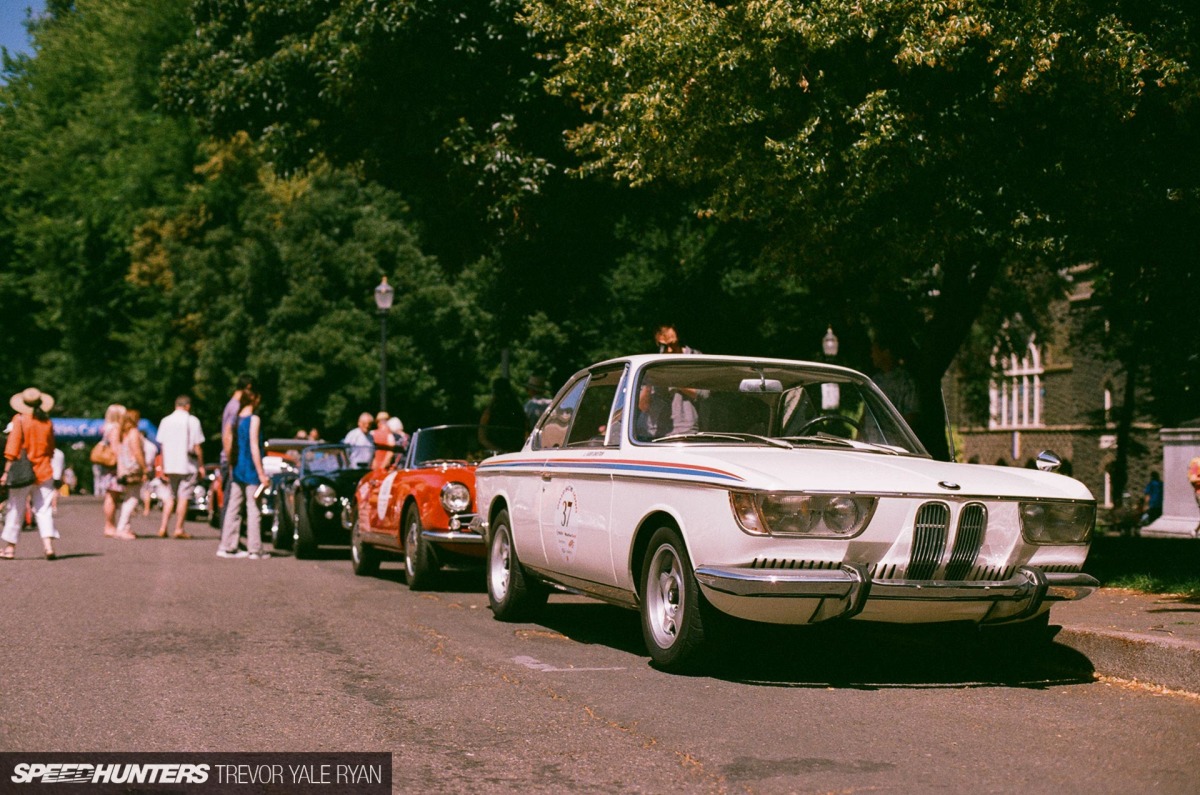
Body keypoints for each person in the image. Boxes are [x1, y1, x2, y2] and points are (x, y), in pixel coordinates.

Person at [1, 387, 60, 560]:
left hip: (23, 472)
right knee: (44, 509)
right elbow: (51, 448)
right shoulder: (47, 422)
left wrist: (6, 472)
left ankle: (10, 549)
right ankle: (48, 546)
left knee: (15, 508)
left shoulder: (20, 420)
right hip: (44, 470)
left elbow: (12, 449)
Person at [218, 388, 269, 560]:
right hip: (250, 469)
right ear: (254, 400)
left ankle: (227, 545)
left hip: (237, 467)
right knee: (253, 509)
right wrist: (261, 473)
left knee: (233, 508)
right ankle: (255, 548)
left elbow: (227, 442)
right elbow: (254, 446)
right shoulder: (254, 419)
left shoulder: (234, 420)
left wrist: (231, 464)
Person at [637, 323, 703, 439]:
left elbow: (704, 395)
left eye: (672, 344)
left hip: (684, 430)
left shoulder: (695, 358)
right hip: (653, 431)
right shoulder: (650, 363)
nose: (669, 349)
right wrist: (650, 382)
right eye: (663, 346)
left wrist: (673, 381)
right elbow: (643, 406)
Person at [157, 395, 207, 539]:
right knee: (184, 497)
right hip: (187, 465)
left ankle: (163, 527)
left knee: (170, 497)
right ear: (188, 406)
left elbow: (162, 446)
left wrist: (162, 465)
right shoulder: (193, 421)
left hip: (170, 465)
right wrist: (201, 466)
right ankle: (178, 528)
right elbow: (197, 446)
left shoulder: (165, 421)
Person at [219, 374, 254, 528]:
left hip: (230, 458)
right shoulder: (235, 406)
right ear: (248, 388)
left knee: (231, 501)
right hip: (231, 459)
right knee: (231, 502)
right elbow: (228, 435)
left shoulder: (231, 404)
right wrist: (231, 459)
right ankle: (227, 537)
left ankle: (228, 536)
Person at [112, 408, 148, 540]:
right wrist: (144, 467)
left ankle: (124, 527)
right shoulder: (134, 433)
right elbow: (137, 452)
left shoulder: (123, 433)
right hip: (133, 469)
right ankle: (122, 528)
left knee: (128, 498)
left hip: (124, 469)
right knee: (133, 499)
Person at [870, 338, 920, 426]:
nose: (872, 355)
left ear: (886, 353)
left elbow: (910, 417)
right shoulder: (875, 380)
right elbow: (867, 413)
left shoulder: (905, 382)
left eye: (874, 352)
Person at [97, 403, 126, 536]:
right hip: (113, 468)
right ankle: (109, 526)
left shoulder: (107, 428)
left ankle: (110, 525)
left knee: (111, 496)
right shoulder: (115, 429)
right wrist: (122, 467)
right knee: (112, 497)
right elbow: (116, 449)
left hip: (107, 467)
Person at [479, 377, 526, 451]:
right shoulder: (490, 411)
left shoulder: (516, 410)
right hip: (499, 452)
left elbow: (482, 437)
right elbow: (482, 437)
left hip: (514, 451)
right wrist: (498, 450)